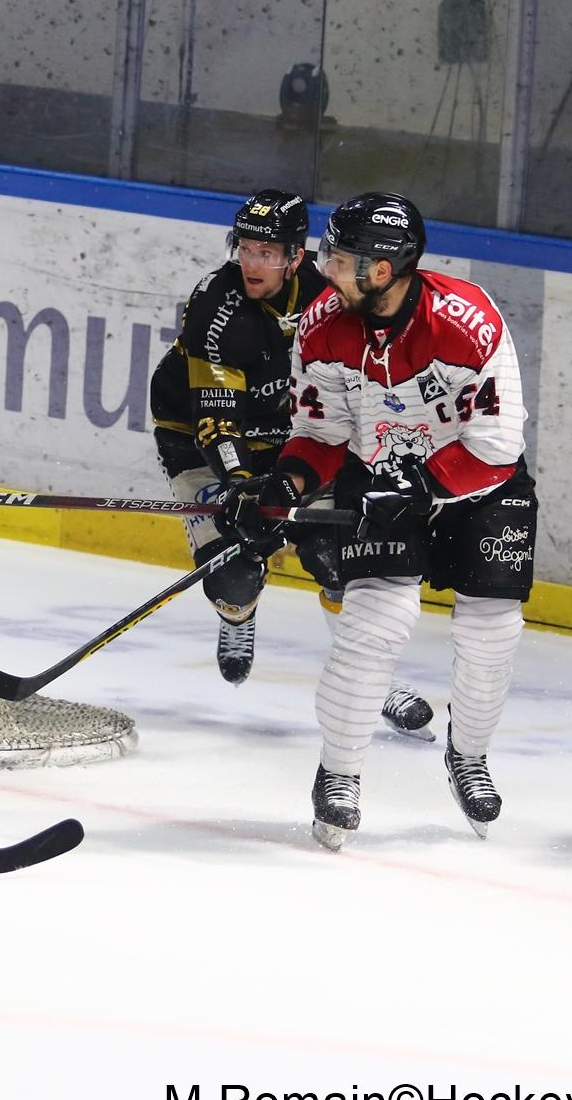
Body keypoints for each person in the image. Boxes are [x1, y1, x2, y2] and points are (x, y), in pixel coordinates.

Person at [220, 191, 535, 850]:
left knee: (492, 628)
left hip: (477, 481)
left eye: (341, 258)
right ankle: (338, 773)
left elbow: (497, 442)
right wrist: (283, 486)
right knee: (374, 620)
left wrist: (420, 483)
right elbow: (321, 434)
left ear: (384, 270)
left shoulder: (467, 320)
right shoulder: (321, 324)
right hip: (379, 474)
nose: (328, 269)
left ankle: (468, 755)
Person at [152, 187, 433, 737]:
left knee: (338, 561)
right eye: (246, 249)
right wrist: (239, 484)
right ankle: (239, 613)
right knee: (232, 574)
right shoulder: (215, 304)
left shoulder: (332, 297)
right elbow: (216, 419)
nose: (253, 263)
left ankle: (370, 679)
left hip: (296, 438)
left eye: (268, 252)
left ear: (296, 256)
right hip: (198, 439)